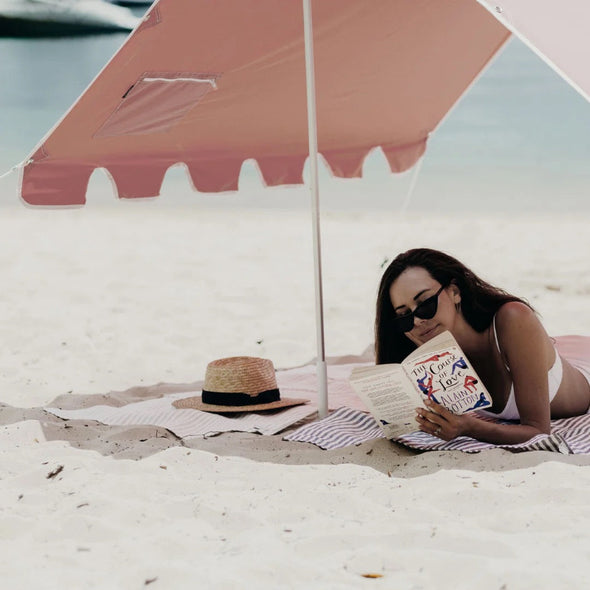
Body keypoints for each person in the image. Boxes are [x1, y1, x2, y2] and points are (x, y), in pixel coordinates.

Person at [375, 248, 590, 445]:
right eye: (404, 316)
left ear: (454, 292)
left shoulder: (513, 320)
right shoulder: (427, 355)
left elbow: (538, 432)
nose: (417, 321)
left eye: (425, 303)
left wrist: (469, 427)